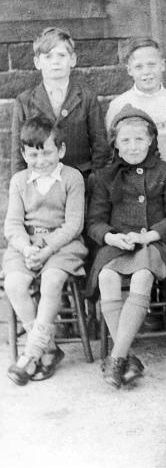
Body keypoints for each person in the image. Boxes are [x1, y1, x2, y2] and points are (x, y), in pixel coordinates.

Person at [87, 105, 166, 388]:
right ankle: (127, 358)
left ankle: (116, 357)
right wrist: (110, 237)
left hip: (154, 244)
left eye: (139, 140)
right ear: (115, 145)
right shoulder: (105, 177)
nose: (133, 147)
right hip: (118, 243)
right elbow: (94, 221)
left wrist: (149, 236)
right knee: (107, 277)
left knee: (143, 276)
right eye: (125, 141)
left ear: (151, 141)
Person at [4, 117, 88, 385]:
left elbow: (74, 224)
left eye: (47, 153)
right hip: (27, 244)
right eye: (33, 155)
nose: (41, 161)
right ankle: (48, 348)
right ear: (23, 154)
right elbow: (13, 225)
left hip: (62, 244)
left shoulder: (71, 178)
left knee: (52, 281)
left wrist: (49, 247)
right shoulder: (19, 180)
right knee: (16, 284)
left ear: (60, 150)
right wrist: (26, 247)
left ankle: (30, 354)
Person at [11, 27, 111, 178]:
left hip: (80, 180)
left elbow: (100, 148)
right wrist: (21, 188)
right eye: (48, 56)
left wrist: (95, 186)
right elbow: (18, 153)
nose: (55, 62)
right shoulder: (24, 101)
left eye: (62, 55)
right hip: (41, 183)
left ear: (73, 59)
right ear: (37, 62)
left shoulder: (86, 97)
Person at [106, 38, 166, 167]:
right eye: (139, 67)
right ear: (129, 70)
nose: (146, 72)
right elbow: (112, 142)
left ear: (162, 65)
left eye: (151, 64)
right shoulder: (118, 105)